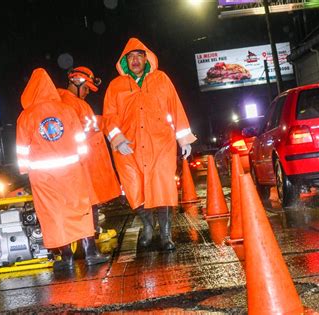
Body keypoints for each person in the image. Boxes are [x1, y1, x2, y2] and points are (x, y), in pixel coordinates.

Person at [103, 38, 197, 251]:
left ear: (146, 58)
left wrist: (184, 139)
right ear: (125, 61)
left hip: (160, 145)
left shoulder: (161, 79)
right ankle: (147, 226)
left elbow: (175, 107)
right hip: (129, 148)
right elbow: (109, 117)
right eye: (131, 57)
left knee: (163, 188)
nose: (135, 60)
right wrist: (118, 140)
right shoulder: (115, 86)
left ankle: (165, 235)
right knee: (134, 190)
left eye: (139, 55)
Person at [16, 68, 109, 270]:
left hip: (44, 177)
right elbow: (79, 139)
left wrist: (25, 168)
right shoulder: (66, 110)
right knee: (80, 208)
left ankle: (66, 257)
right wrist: (81, 159)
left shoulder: (26, 116)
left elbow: (22, 147)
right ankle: (90, 252)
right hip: (71, 172)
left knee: (54, 214)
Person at [58, 66, 121, 241]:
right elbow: (82, 126)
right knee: (87, 201)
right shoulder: (69, 102)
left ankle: (94, 232)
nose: (87, 92)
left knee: (90, 200)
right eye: (86, 88)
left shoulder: (67, 101)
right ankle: (90, 238)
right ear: (76, 82)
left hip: (83, 161)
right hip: (82, 163)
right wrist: (104, 121)